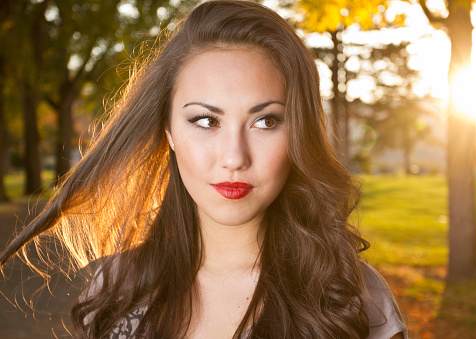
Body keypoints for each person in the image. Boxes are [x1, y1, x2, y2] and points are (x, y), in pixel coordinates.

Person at [0, 1, 408, 338]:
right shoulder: (116, 289)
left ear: (298, 133)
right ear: (170, 133)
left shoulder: (354, 301)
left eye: (265, 121)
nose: (233, 157)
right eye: (206, 121)